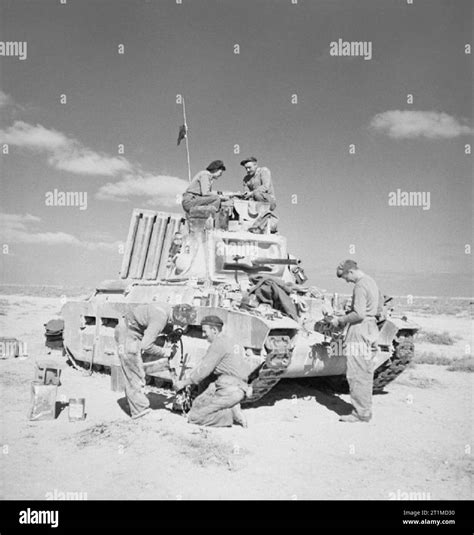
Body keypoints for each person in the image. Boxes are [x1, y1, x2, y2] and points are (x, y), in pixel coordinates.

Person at [115, 302, 195, 419]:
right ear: (179, 319)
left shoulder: (167, 310)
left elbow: (152, 324)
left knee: (134, 370)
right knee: (134, 372)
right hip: (128, 335)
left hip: (133, 330)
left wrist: (169, 335)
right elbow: (146, 346)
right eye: (183, 324)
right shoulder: (161, 318)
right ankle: (140, 412)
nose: (183, 327)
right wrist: (164, 352)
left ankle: (133, 403)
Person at [173, 315, 251, 427]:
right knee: (202, 394)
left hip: (228, 388)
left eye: (205, 331)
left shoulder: (218, 343)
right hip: (239, 386)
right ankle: (232, 407)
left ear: (214, 330)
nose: (203, 335)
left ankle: (229, 416)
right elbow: (206, 362)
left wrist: (183, 383)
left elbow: (203, 372)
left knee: (194, 417)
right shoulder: (231, 340)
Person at [328, 260, 380, 423]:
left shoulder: (359, 285)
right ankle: (364, 409)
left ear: (350, 272)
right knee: (365, 371)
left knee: (357, 373)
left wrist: (340, 320)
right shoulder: (371, 281)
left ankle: (360, 413)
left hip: (359, 329)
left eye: (345, 277)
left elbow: (359, 314)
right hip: (370, 328)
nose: (346, 281)